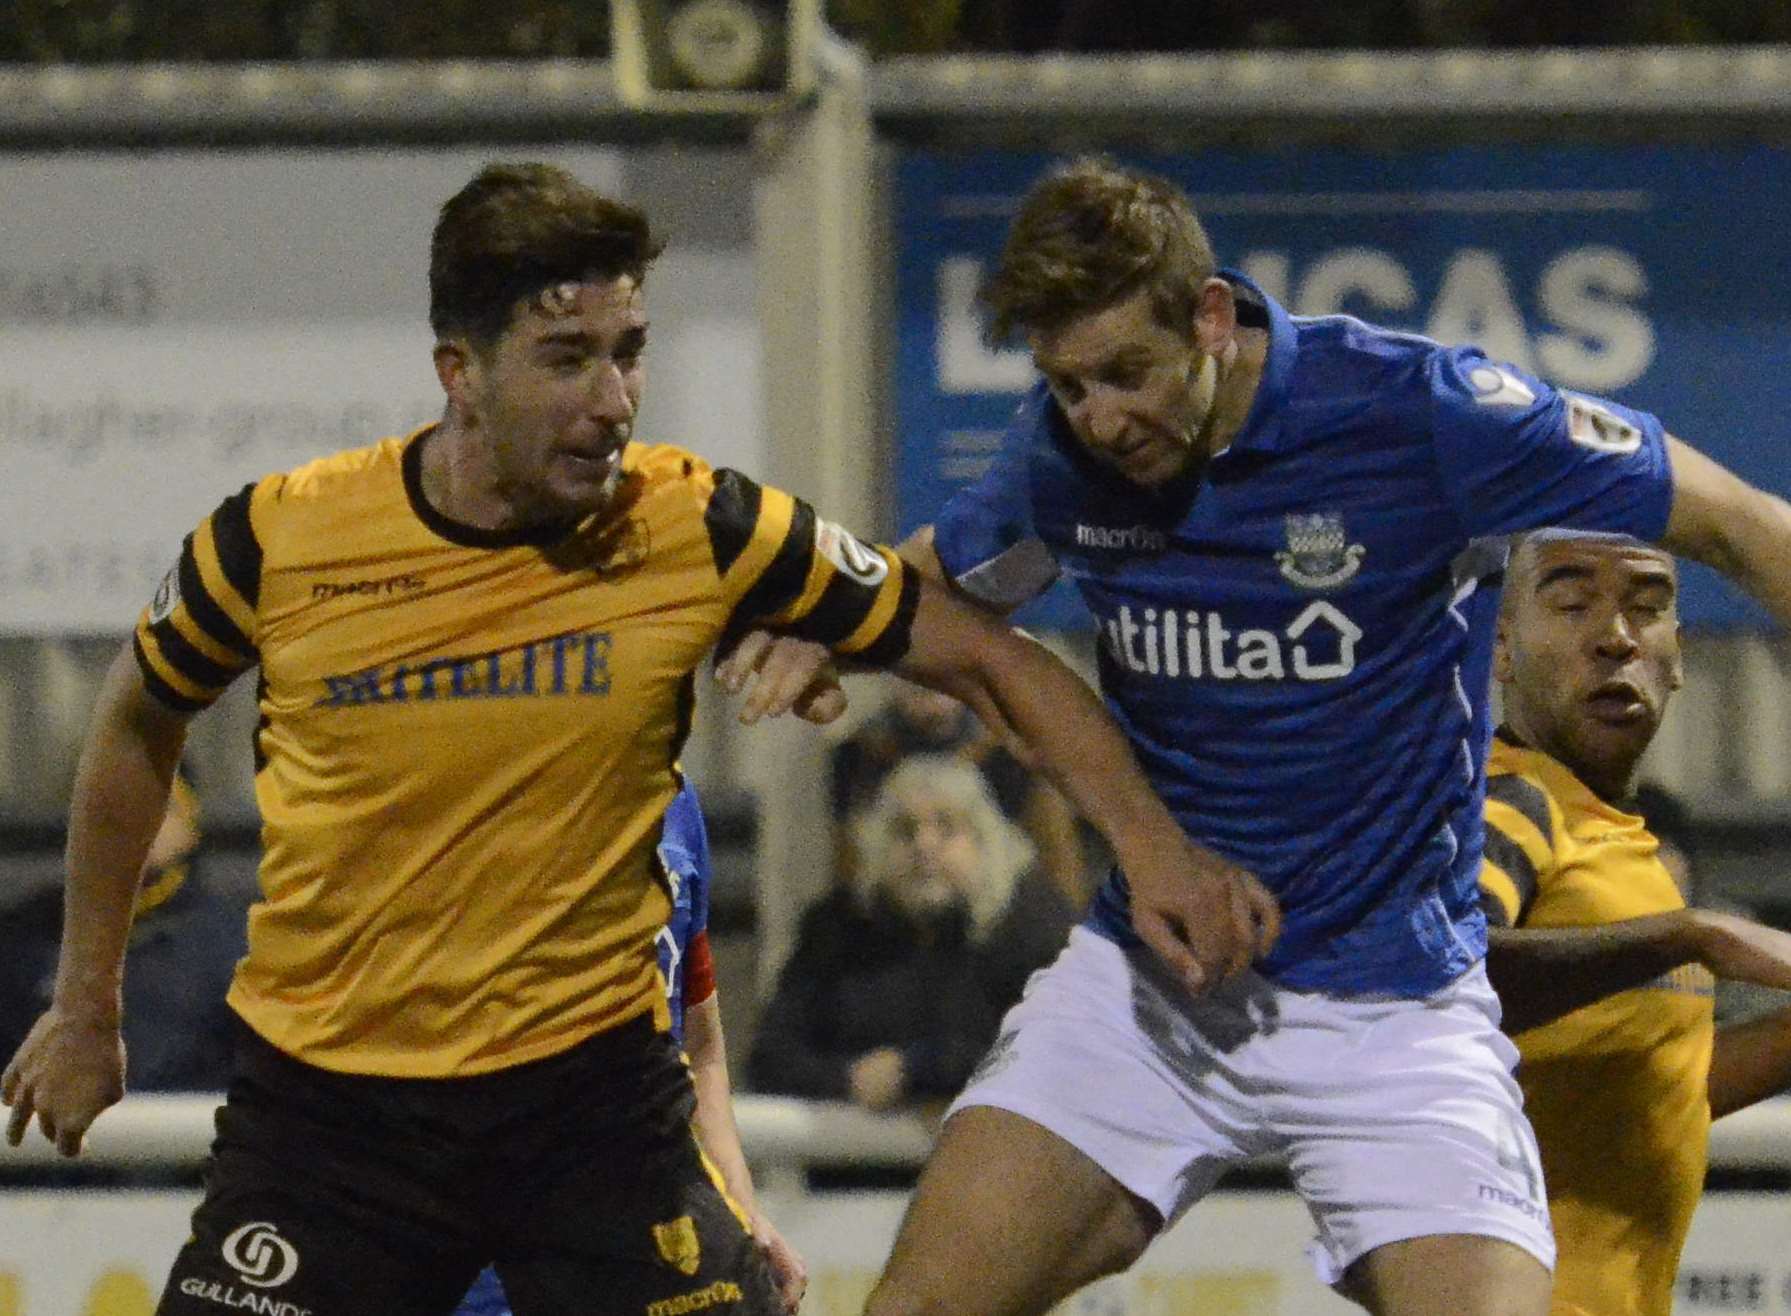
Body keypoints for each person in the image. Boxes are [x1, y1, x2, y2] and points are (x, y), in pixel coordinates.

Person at [0, 160, 1273, 1316]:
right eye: (567, 358)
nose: (612, 401)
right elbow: (135, 718)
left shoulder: (698, 523)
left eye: (632, 351)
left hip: (590, 1117)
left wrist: (1154, 851)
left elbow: (992, 655)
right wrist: (85, 1004)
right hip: (334, 1123)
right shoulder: (280, 539)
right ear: (460, 370)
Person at [717, 154, 1791, 1315]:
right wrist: (830, 626)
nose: (1100, 418)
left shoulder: (1423, 412)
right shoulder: (1063, 458)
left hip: (1395, 1005)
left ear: (1212, 317)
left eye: (1126, 372)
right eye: (1067, 385)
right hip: (1156, 982)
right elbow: (948, 581)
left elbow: (1745, 526)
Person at [1479, 530, 1791, 1316]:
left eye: (1645, 609)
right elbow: (1436, 988)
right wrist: (1694, 936)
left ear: (1677, 656)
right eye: (1574, 604)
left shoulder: (1622, 846)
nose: (1615, 636)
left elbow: (1660, 1089)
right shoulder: (1502, 804)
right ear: (1501, 650)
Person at [458, 779, 806, 1316]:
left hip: (642, 1240)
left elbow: (700, 1045)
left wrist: (739, 1217)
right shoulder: (460, 789)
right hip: (477, 1256)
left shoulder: (677, 800)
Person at [748, 754, 1074, 1113]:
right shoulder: (836, 927)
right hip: (857, 1161)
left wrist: (916, 1071)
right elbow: (769, 1058)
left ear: (986, 843)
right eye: (904, 831)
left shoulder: (1034, 926)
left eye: (946, 827)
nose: (924, 846)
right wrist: (847, 1079)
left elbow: (1057, 1052)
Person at [829, 678, 1089, 903]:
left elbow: (1059, 866)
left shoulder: (1017, 751)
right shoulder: (860, 756)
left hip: (1004, 926)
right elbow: (850, 873)